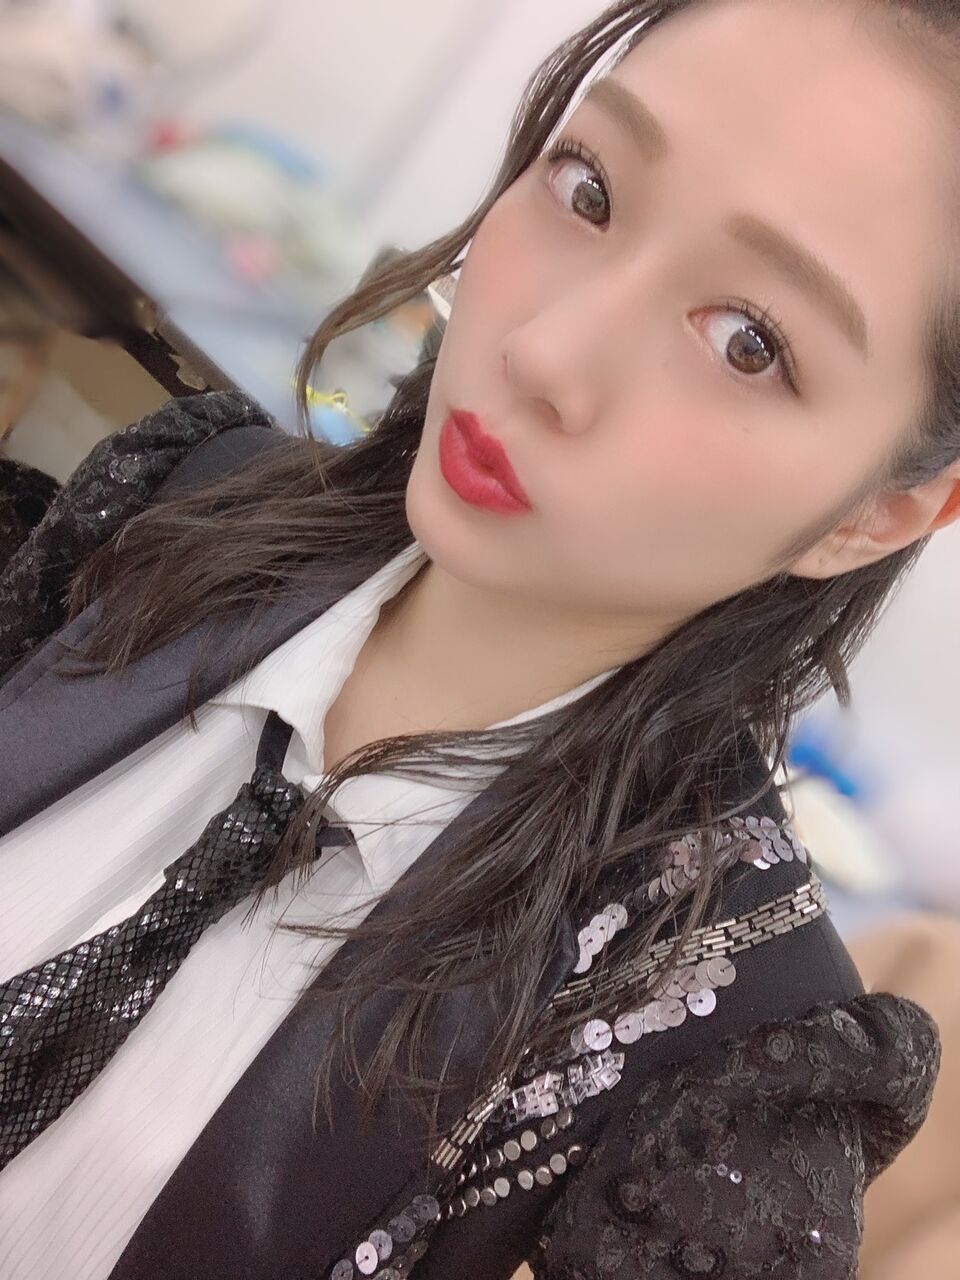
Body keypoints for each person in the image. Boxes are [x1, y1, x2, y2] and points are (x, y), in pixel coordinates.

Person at [0, 0, 954, 1276]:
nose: (544, 352)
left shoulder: (720, 1087)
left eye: (748, 343)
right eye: (590, 189)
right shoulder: (169, 513)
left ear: (874, 514)